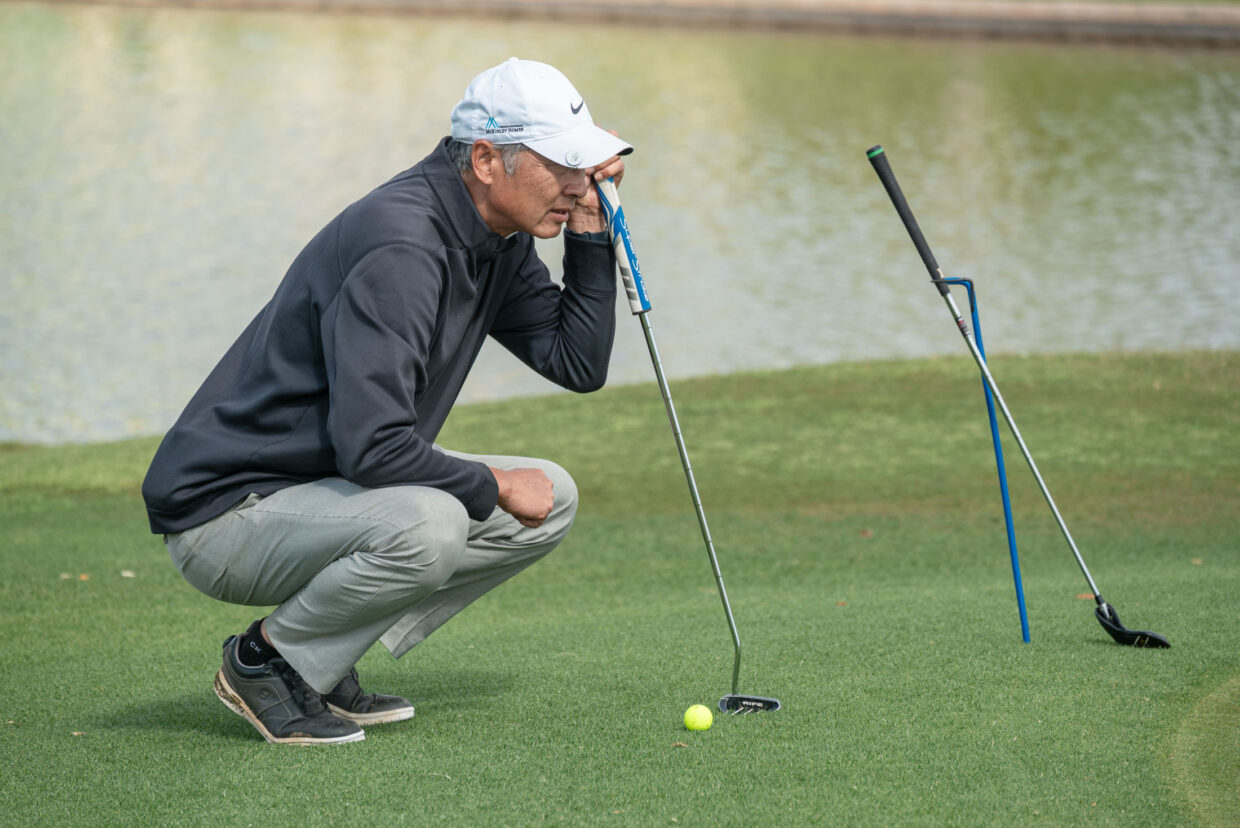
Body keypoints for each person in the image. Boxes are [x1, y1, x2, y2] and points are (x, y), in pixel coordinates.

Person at [141, 57, 632, 745]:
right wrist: (492, 483)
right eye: (561, 166)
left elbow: (575, 363)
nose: (579, 182)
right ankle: (267, 663)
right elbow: (373, 447)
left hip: (321, 487)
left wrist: (589, 229)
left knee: (554, 495)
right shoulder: (402, 243)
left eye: (582, 165)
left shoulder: (494, 235)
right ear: (487, 160)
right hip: (226, 515)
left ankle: (321, 656)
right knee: (432, 520)